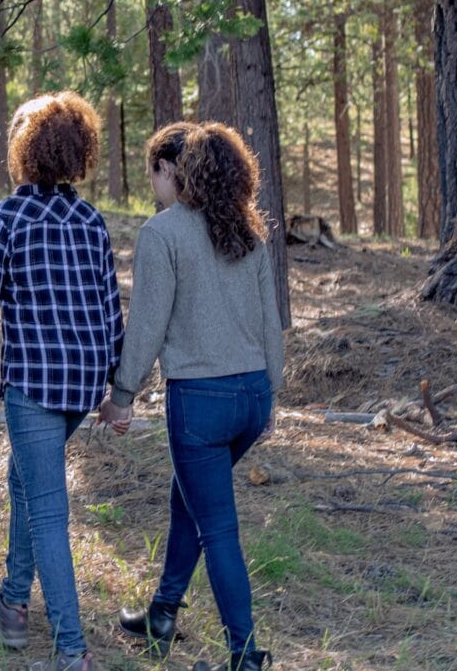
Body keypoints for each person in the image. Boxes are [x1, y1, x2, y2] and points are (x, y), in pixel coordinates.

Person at [0, 91, 123, 671]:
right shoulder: (91, 221)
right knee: (25, 481)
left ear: (24, 150)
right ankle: (13, 606)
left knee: (46, 510)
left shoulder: (3, 219)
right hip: (83, 383)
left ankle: (73, 652)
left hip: (36, 386)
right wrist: (115, 390)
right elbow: (110, 311)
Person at [100, 122, 284, 671]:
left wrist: (122, 394)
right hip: (250, 397)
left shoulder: (164, 234)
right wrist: (270, 397)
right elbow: (271, 326)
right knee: (193, 501)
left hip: (200, 404)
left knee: (218, 527)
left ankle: (245, 656)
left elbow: (148, 325)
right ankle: (162, 613)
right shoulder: (249, 233)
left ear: (183, 171)